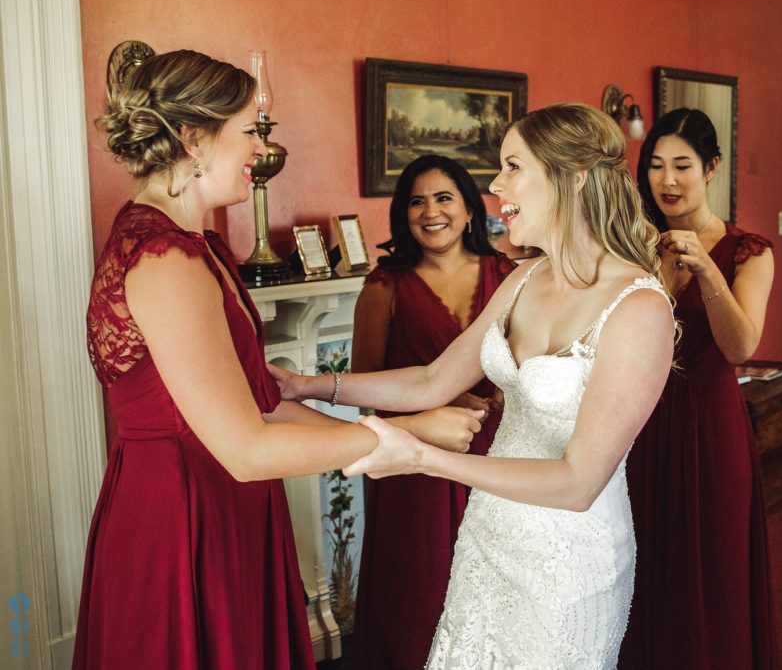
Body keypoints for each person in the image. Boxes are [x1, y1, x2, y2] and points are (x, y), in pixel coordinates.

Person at [74, 43, 481, 670]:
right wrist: (401, 438)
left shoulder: (199, 244)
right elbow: (246, 449)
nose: (260, 152)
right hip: (183, 515)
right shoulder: (164, 260)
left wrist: (386, 435)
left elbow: (264, 408)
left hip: (223, 501)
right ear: (194, 140)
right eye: (246, 133)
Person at [271, 103, 675, 669]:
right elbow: (433, 379)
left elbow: (578, 482)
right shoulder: (523, 278)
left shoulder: (638, 308)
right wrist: (307, 385)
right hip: (489, 535)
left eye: (513, 166)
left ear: (573, 178)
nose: (495, 184)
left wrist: (422, 458)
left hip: (569, 561)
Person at [620, 108, 776, 669]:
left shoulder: (749, 252)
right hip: (634, 424)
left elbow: (739, 347)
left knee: (711, 565)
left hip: (710, 429)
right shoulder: (632, 247)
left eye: (682, 165)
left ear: (711, 168)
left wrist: (708, 270)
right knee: (641, 564)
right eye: (656, 165)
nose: (667, 180)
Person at [349, 154, 514, 669]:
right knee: (421, 596)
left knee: (499, 592)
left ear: (469, 209)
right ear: (404, 215)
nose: (430, 211)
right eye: (417, 201)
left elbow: (533, 362)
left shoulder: (508, 276)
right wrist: (440, 401)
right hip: (416, 469)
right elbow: (365, 389)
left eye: (444, 197)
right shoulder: (384, 287)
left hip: (501, 462)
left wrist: (510, 393)